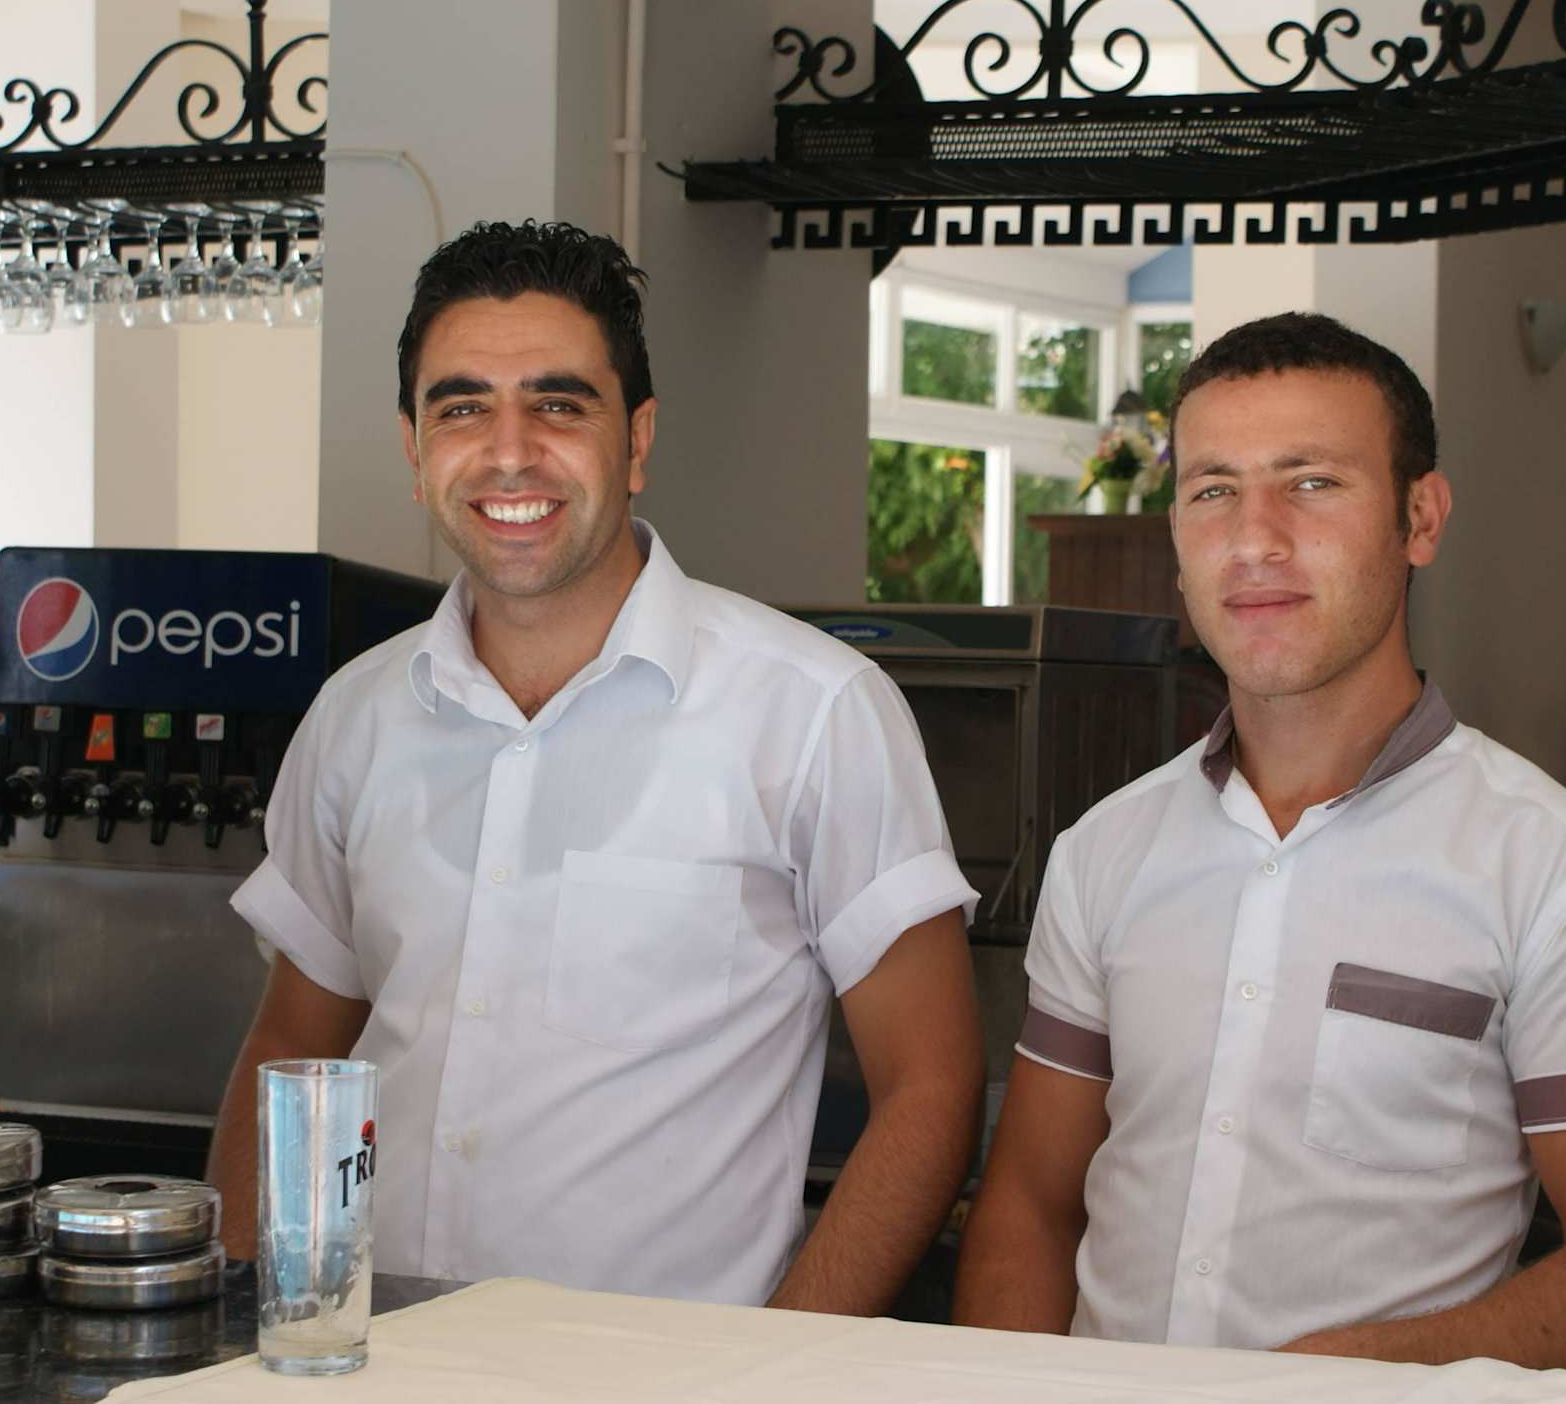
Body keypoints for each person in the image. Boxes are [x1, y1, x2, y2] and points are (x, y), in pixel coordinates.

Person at [208, 221, 984, 1312]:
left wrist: (771, 1373)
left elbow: (932, 1089)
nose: (509, 451)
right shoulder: (355, 717)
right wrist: (246, 1316)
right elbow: (294, 1046)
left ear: (637, 439)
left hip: (665, 1376)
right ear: (414, 448)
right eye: (461, 408)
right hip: (371, 1358)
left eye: (559, 405)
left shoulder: (812, 712)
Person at [954, 313, 1566, 1367]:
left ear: (1419, 518)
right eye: (1212, 490)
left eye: (1310, 482)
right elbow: (1030, 1202)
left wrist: (1329, 1382)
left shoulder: (1560, 876)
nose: (1254, 538)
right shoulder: (1105, 851)